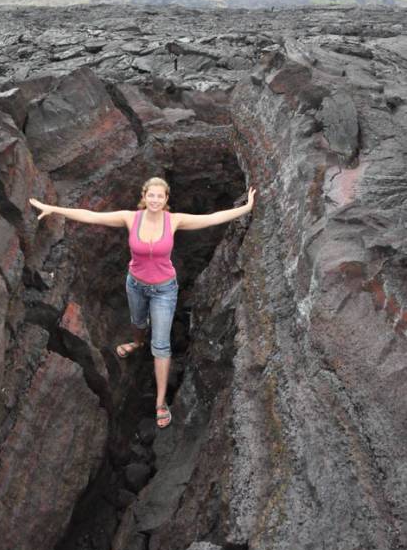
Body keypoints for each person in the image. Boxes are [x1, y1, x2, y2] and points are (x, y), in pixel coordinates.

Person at [30, 178, 256, 428]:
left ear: (166, 199)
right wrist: (54, 209)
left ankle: (160, 402)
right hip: (135, 284)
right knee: (137, 321)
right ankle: (137, 343)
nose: (155, 200)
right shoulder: (130, 218)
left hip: (164, 290)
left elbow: (212, 218)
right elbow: (91, 216)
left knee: (161, 345)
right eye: (151, 195)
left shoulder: (174, 220)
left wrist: (246, 208)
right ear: (144, 196)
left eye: (160, 196)